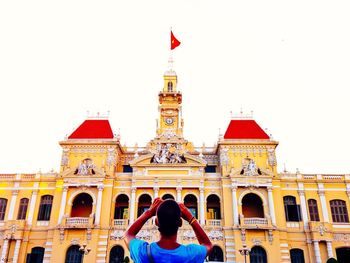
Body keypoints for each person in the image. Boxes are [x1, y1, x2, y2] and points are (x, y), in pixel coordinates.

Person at [124, 197, 213, 263]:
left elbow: (128, 235)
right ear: (180, 223)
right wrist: (190, 218)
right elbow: (208, 245)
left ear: (156, 222)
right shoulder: (190, 254)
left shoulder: (143, 252)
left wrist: (149, 212)